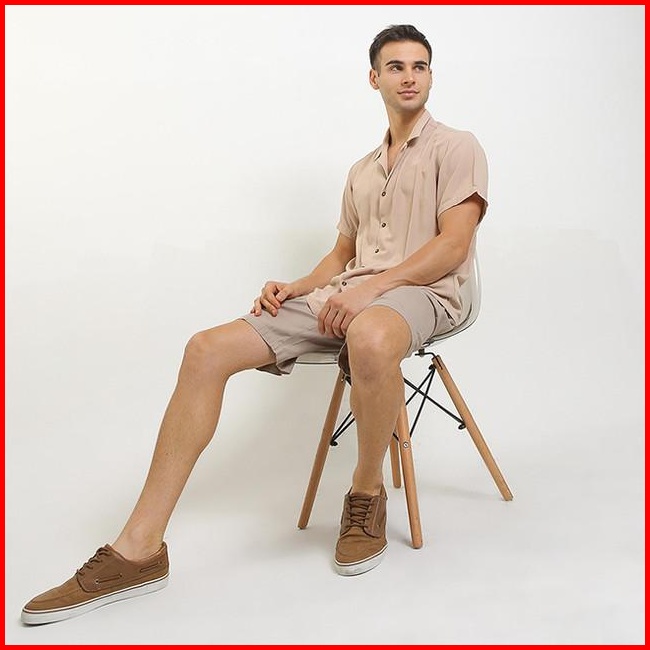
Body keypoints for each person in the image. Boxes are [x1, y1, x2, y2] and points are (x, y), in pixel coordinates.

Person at [21, 24, 488, 625]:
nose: (409, 77)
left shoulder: (457, 146)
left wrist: (371, 290)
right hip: (351, 294)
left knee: (370, 335)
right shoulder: (362, 170)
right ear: (374, 79)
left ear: (431, 75)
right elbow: (342, 254)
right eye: (395, 67)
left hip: (426, 294)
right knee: (205, 349)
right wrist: (299, 286)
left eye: (419, 66)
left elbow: (453, 246)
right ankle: (139, 549)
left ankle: (366, 494)